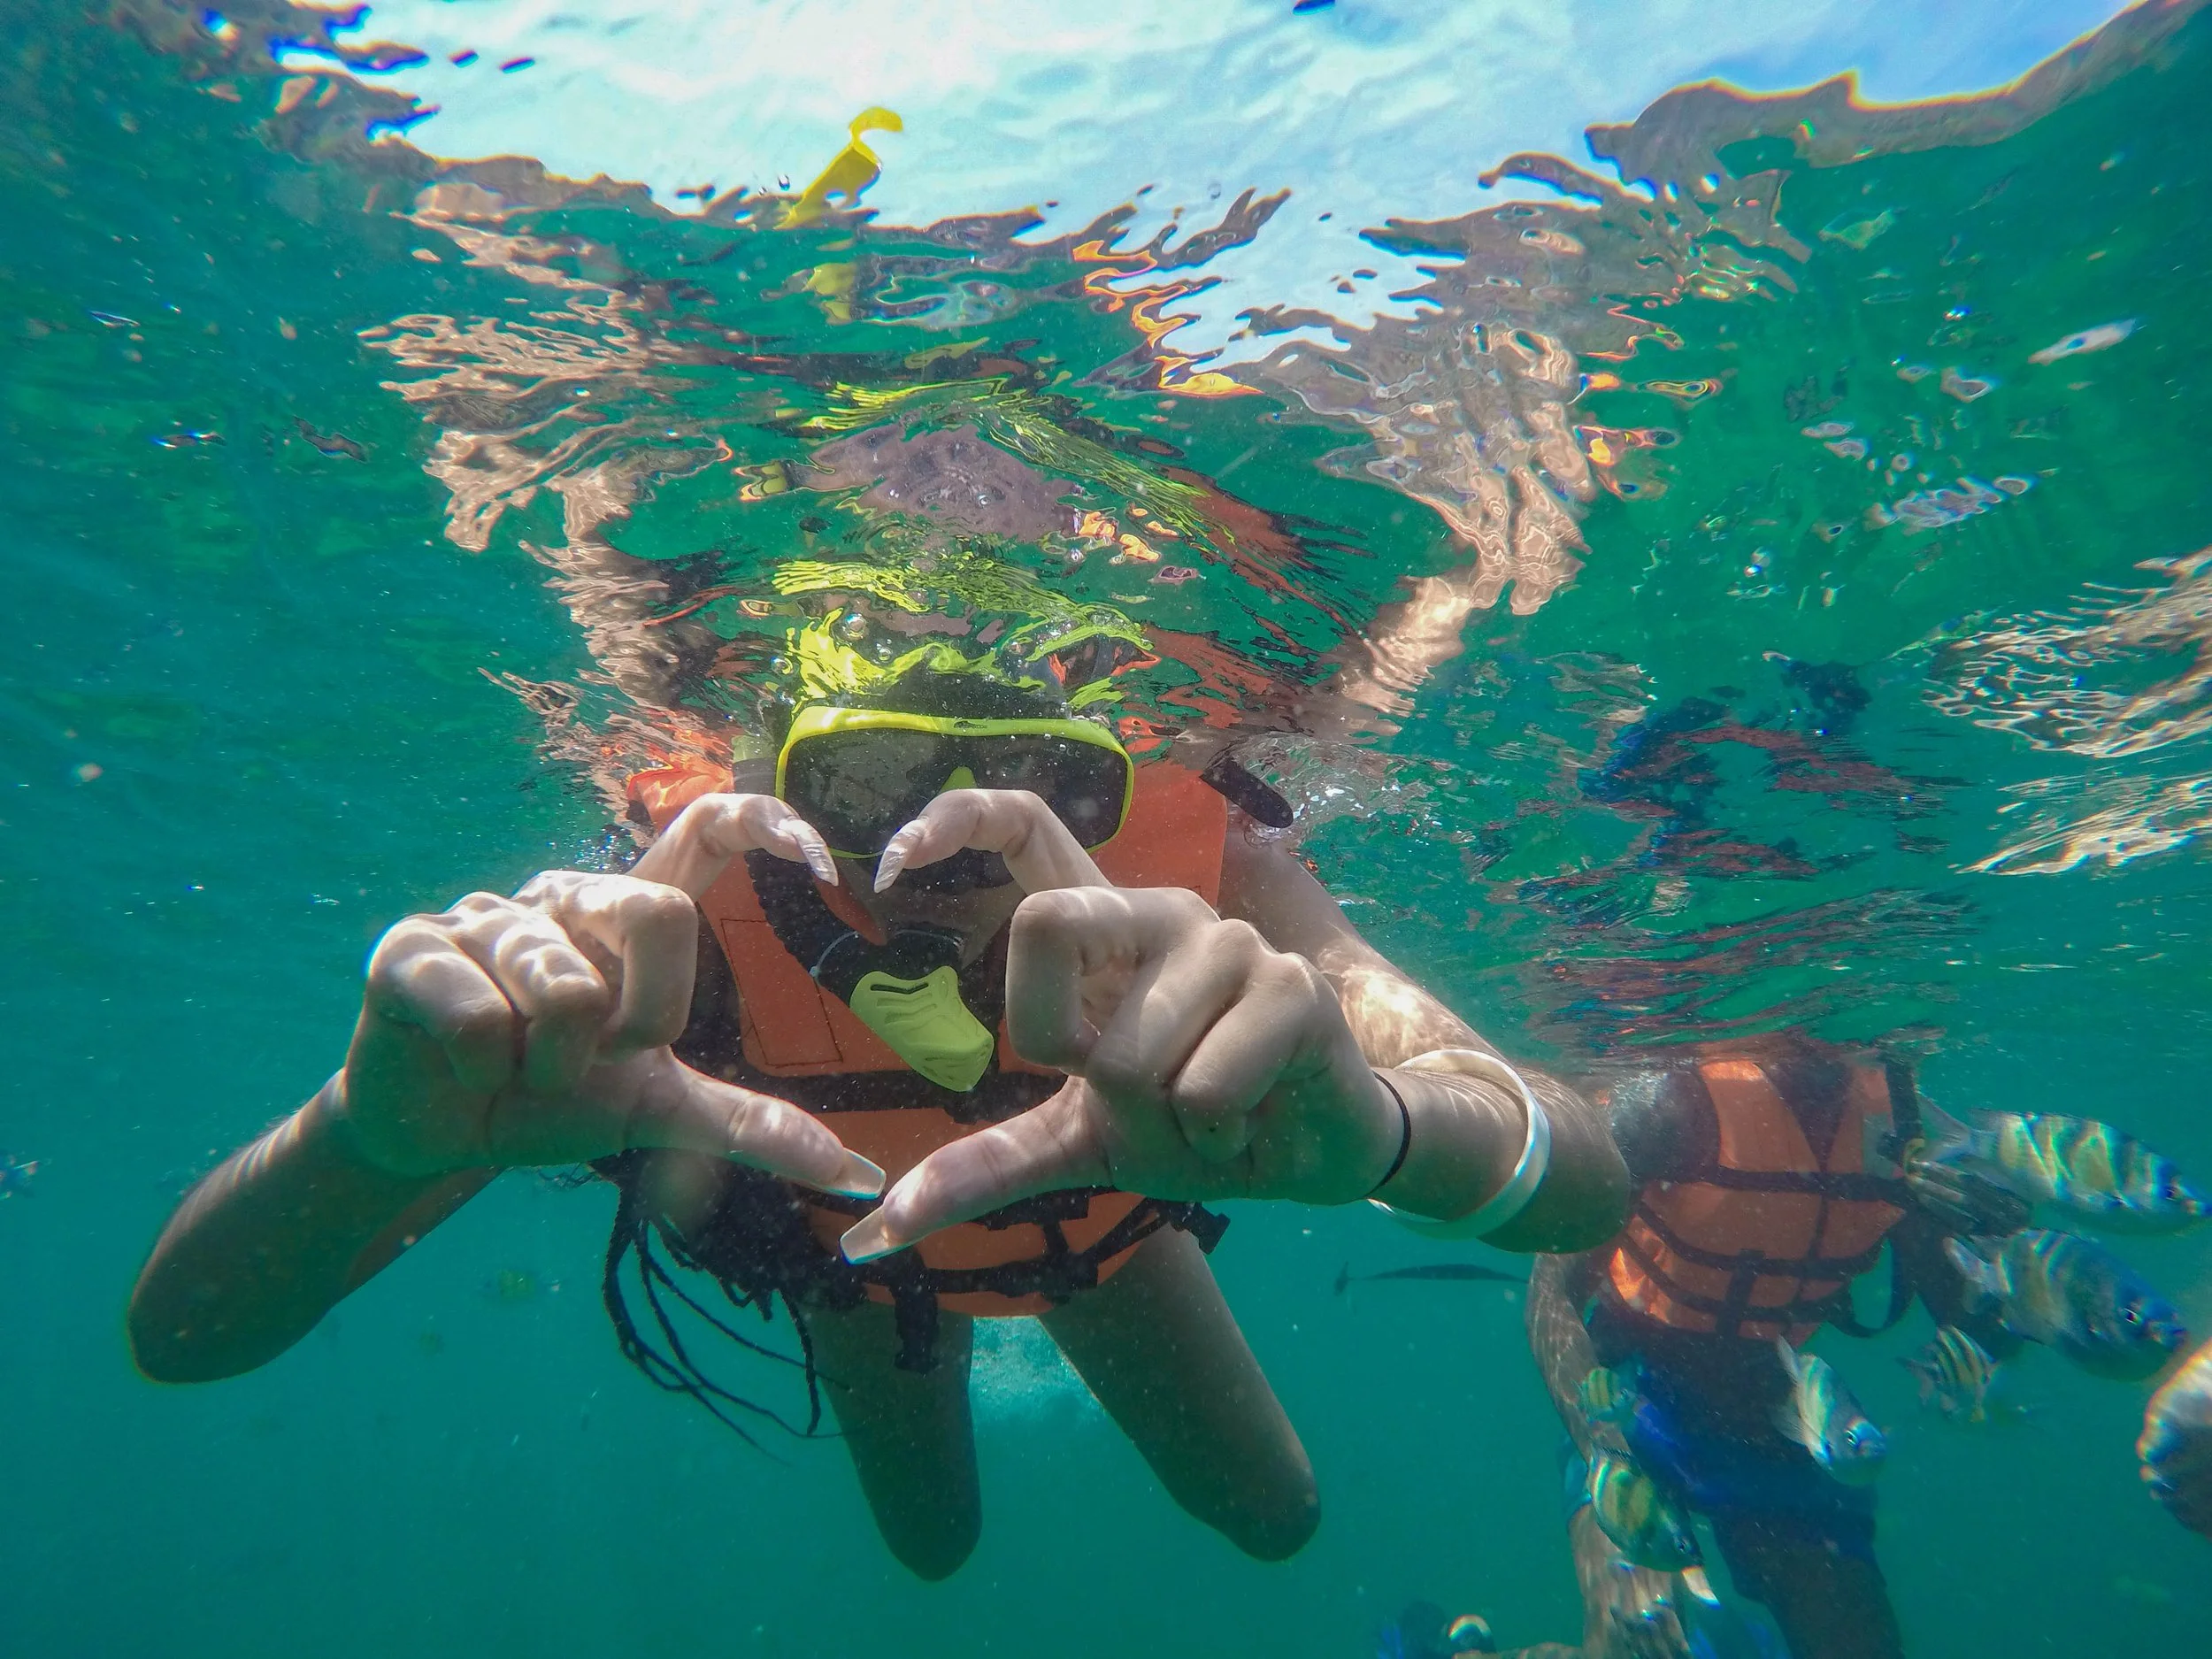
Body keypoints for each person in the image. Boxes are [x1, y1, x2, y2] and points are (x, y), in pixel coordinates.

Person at [128, 652, 1629, 1580]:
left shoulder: (1215, 863)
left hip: (1091, 1235)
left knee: (1277, 1514)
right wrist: (365, 1134)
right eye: (867, 783)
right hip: (839, 1240)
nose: (936, 851)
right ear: (777, 767)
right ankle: (958, 1361)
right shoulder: (673, 910)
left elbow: (1584, 1171)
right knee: (933, 1546)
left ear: (1104, 776)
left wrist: (1382, 1131)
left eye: (1034, 779)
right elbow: (182, 1337)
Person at [1497, 1036, 2037, 1659]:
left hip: (1783, 1417)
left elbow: (1978, 1331)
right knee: (1632, 1633)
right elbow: (1549, 1294)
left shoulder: (1898, 1127)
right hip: (1633, 1404)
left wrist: (2011, 1259)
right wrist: (1606, 1451)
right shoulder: (1672, 1101)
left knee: (1857, 1640)